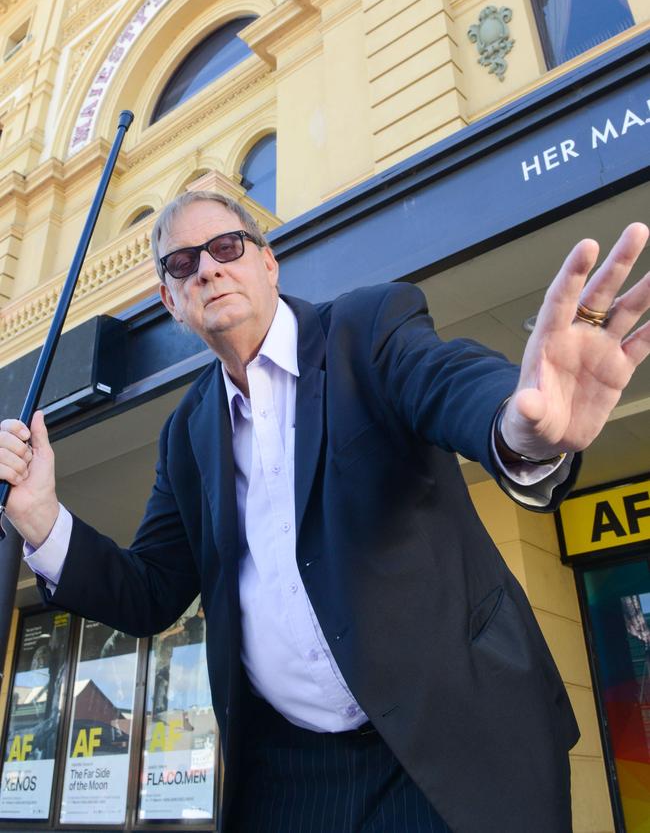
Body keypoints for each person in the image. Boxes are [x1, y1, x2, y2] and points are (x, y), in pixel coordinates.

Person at [1, 191, 648, 833]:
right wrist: (41, 517)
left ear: (268, 261)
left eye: (227, 247)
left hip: (447, 742)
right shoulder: (187, 432)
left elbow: (449, 381)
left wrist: (519, 427)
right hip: (293, 775)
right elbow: (150, 591)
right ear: (172, 300)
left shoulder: (366, 331)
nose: (208, 268)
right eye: (182, 263)